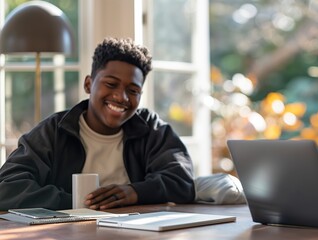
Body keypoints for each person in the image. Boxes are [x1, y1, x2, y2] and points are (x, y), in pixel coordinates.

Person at [0, 37, 196, 210]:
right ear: (88, 84)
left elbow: (182, 181)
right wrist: (79, 203)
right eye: (111, 84)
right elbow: (7, 187)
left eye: (133, 90)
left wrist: (133, 192)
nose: (121, 97)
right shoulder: (54, 131)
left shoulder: (152, 129)